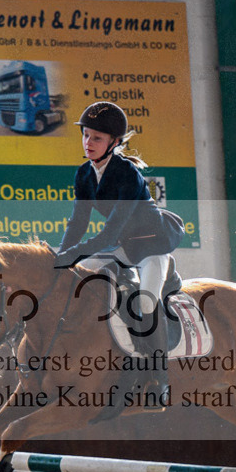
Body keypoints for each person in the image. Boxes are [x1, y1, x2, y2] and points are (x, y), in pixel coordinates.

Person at [55, 101, 185, 408]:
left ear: (114, 142)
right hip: (124, 246)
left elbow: (108, 234)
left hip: (152, 247)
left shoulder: (127, 173)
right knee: (76, 275)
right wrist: (60, 258)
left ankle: (160, 380)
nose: (88, 142)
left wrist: (70, 255)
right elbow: (78, 224)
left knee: (146, 302)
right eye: (86, 135)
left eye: (97, 138)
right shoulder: (84, 174)